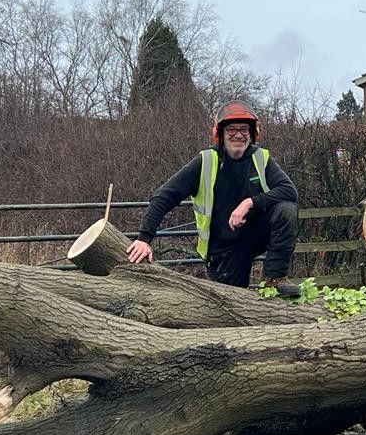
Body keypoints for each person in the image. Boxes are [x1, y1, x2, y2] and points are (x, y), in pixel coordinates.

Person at [126, 100, 301, 295]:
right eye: (231, 130)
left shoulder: (261, 158)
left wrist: (250, 202)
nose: (238, 135)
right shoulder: (206, 161)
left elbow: (289, 191)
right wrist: (144, 238)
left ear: (252, 133)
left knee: (286, 210)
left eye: (244, 130)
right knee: (232, 307)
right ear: (220, 134)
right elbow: (164, 196)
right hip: (223, 249)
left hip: (254, 234)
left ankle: (274, 280)